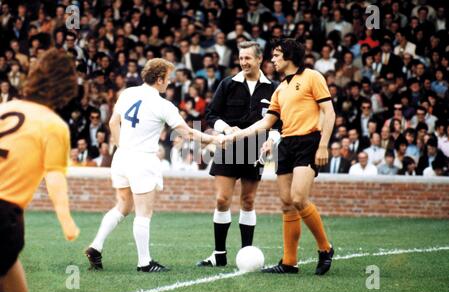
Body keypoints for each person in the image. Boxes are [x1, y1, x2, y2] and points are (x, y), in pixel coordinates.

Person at [85, 58, 220, 272]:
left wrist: (123, 147)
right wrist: (215, 139)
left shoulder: (128, 93)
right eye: (168, 78)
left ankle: (96, 246)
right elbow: (189, 133)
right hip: (142, 160)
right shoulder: (162, 104)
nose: (170, 82)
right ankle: (144, 262)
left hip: (122, 157)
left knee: (123, 206)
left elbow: (112, 122)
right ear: (159, 79)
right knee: (144, 213)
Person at [226, 39, 335, 275]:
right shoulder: (280, 88)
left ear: (289, 56)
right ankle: (289, 262)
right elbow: (267, 122)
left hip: (309, 141)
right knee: (287, 204)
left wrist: (323, 145)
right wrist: (239, 133)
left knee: (298, 198)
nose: (272, 60)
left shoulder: (312, 77)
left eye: (276, 55)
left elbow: (329, 111)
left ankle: (325, 248)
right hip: (286, 144)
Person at [0, 48, 80, 292]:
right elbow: (55, 178)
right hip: (3, 214)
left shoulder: (5, 107)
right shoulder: (54, 125)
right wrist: (66, 220)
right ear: (66, 89)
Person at [198, 41, 280, 267]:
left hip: (256, 148)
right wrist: (226, 129)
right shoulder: (228, 84)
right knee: (222, 199)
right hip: (228, 146)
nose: (244, 62)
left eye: (248, 58)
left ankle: (246, 254)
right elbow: (211, 115)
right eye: (241, 58)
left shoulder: (273, 88)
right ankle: (219, 254)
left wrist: (271, 141)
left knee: (248, 200)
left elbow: (280, 122)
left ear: (259, 59)